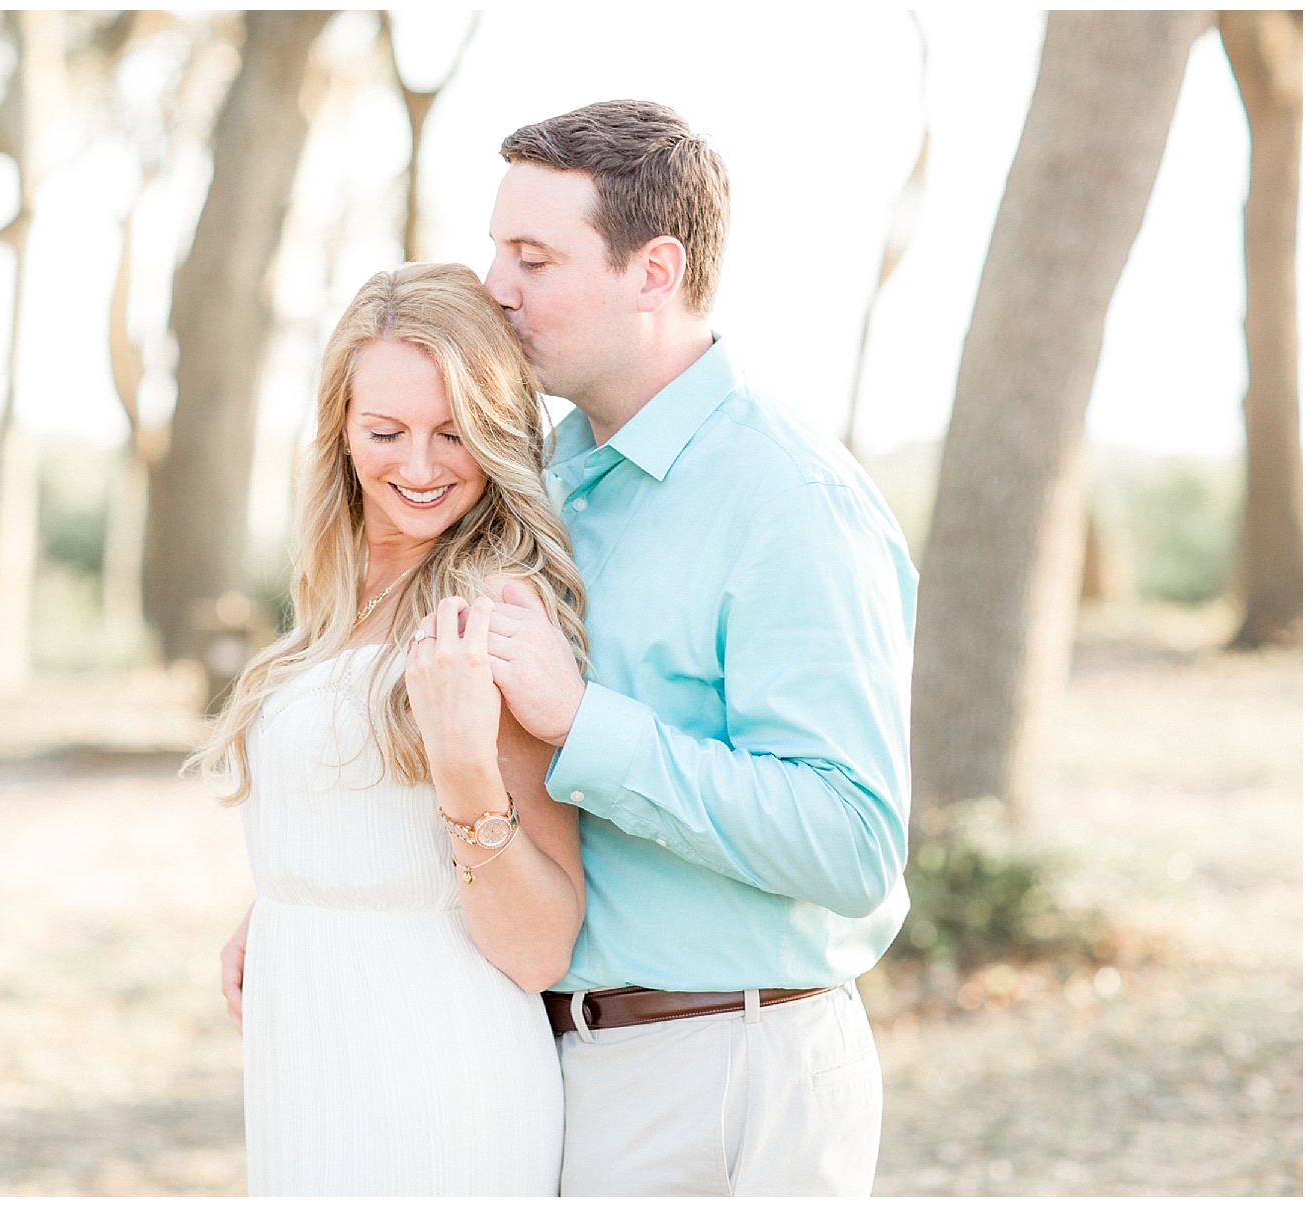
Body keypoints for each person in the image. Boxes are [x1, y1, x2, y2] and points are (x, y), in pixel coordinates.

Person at [466, 100, 919, 1195]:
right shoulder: (550, 484)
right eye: (496, 250)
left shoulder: (788, 500)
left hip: (736, 1075)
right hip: (565, 1065)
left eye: (533, 256)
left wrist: (585, 725)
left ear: (654, 271)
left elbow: (853, 844)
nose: (495, 287)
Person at [196, 262, 589, 1195]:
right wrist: (286, 898)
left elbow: (540, 943)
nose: (418, 467)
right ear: (339, 429)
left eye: (454, 433)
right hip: (309, 1057)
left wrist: (462, 762)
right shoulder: (339, 594)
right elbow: (368, 809)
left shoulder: (494, 607)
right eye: (386, 431)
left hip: (431, 1073)